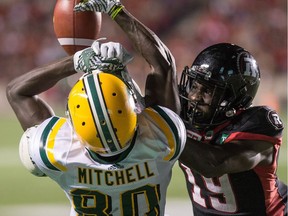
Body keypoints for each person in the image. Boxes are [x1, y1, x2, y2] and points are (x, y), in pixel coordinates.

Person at [74, 0, 287, 215]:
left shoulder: (259, 124)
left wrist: (158, 125)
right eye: (195, 85)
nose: (195, 96)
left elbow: (214, 163)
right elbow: (162, 63)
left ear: (235, 98)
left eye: (208, 91)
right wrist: (116, 10)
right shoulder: (184, 108)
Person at [6, 41, 186, 215]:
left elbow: (16, 91)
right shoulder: (165, 138)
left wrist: (76, 61)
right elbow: (163, 66)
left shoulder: (56, 151)